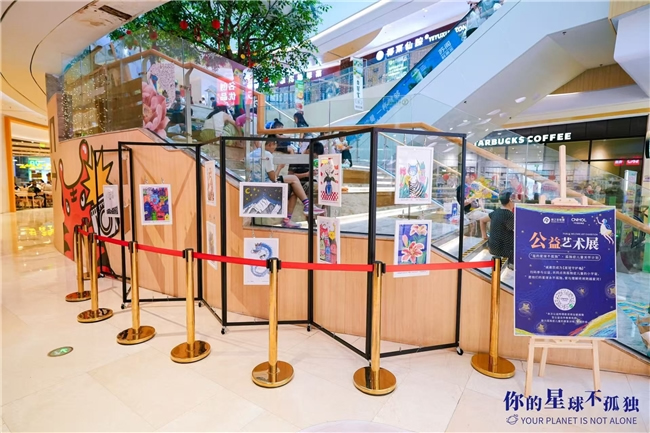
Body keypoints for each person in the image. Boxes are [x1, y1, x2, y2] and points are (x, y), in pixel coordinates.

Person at [246, 136, 325, 227]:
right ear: (271, 144)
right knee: (294, 181)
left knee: (294, 187)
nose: (275, 148)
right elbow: (273, 178)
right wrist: (279, 168)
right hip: (266, 184)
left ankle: (296, 214)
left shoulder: (250, 154)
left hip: (255, 184)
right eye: (275, 146)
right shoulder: (267, 155)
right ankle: (307, 206)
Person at [479, 191, 515, 269]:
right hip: (505, 250)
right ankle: (512, 265)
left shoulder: (496, 212)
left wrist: (484, 235)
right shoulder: (509, 215)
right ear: (510, 200)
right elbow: (517, 232)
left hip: (493, 247)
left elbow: (482, 220)